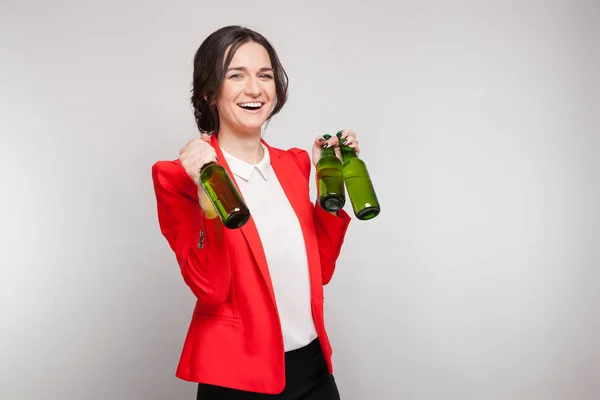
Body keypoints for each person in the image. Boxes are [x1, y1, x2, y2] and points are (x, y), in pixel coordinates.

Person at [151, 25, 361, 399]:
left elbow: (320, 271)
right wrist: (207, 196)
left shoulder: (294, 165)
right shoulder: (177, 177)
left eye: (265, 75)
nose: (254, 89)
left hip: (312, 371)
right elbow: (211, 289)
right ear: (209, 92)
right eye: (236, 75)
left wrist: (333, 189)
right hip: (236, 380)